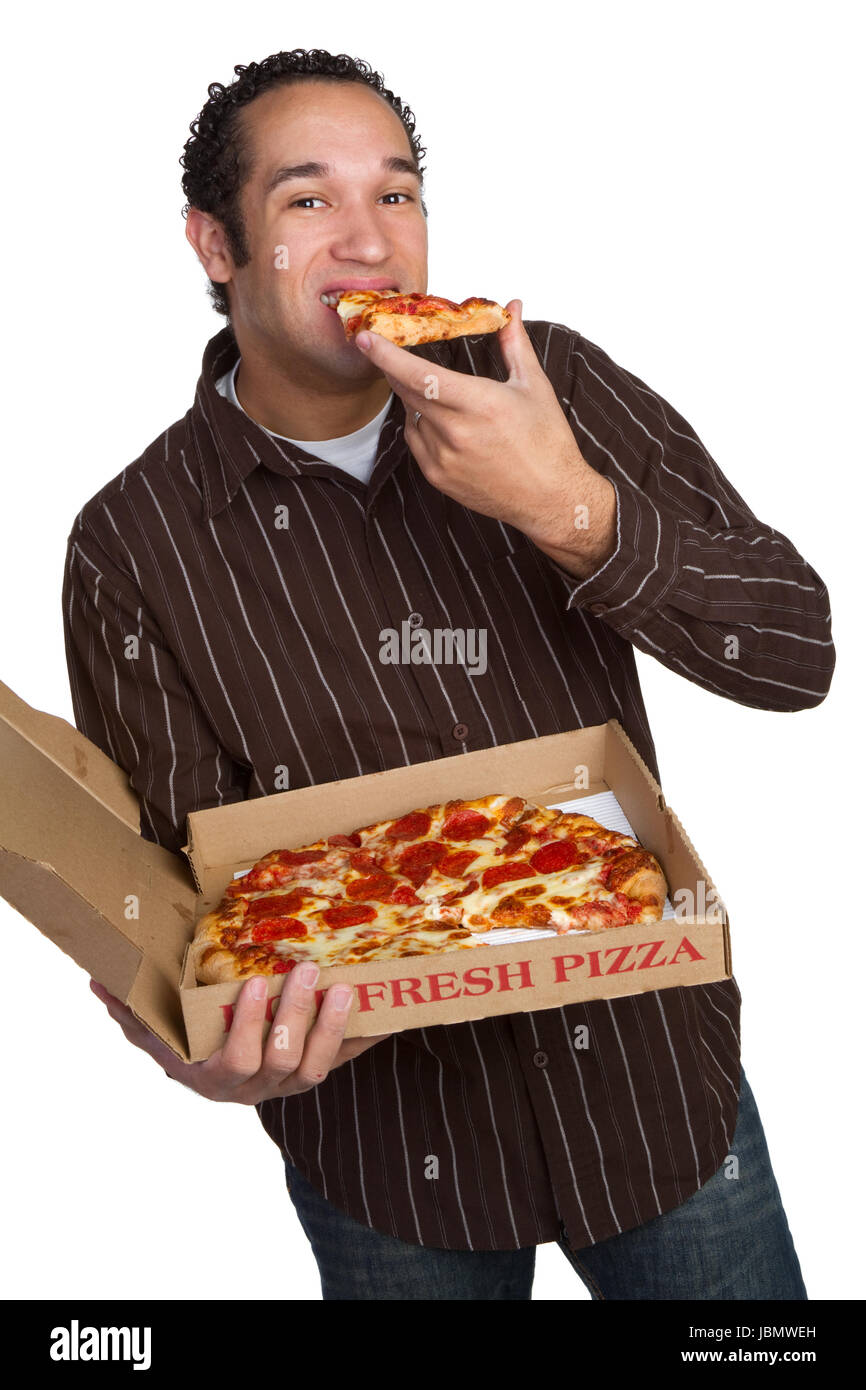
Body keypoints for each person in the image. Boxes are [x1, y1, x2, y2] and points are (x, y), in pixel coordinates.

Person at [67, 49, 832, 1300]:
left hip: (652, 1093)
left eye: (399, 194)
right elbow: (180, 884)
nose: (370, 244)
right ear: (215, 245)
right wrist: (194, 1042)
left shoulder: (553, 384)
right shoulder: (131, 540)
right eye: (308, 201)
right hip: (383, 1152)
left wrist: (570, 509)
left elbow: (795, 654)